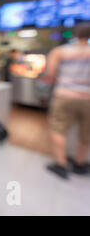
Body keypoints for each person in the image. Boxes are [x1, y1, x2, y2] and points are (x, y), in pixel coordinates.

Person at [45, 22, 90, 179]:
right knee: (86, 134)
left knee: (58, 129)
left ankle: (61, 164)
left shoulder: (60, 51)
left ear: (75, 34)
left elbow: (50, 73)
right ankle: (79, 163)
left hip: (64, 95)